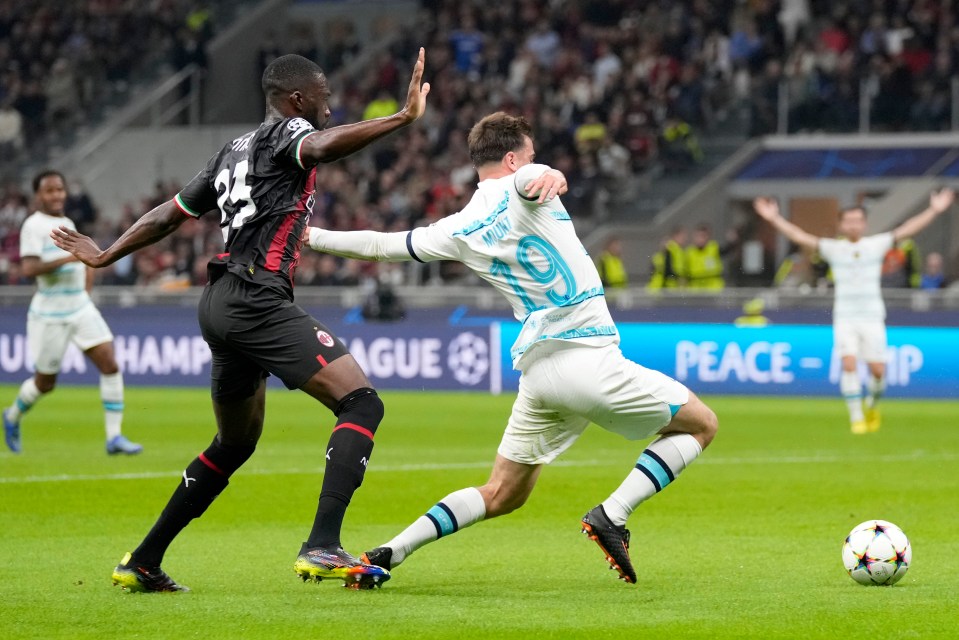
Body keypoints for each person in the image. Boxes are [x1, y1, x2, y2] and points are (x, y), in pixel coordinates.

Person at [51, 49, 431, 593]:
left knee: (234, 443)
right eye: (324, 94)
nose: (331, 104)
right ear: (297, 98)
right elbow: (320, 145)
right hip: (257, 298)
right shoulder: (289, 133)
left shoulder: (232, 150)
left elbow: (168, 214)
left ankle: (143, 560)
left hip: (221, 302)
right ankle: (322, 544)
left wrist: (106, 253)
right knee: (362, 401)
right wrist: (399, 118)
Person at [306, 112, 719, 585]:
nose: (535, 162)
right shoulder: (526, 182)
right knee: (702, 424)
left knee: (503, 493)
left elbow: (381, 245)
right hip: (586, 356)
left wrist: (311, 236)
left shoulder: (457, 227)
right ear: (510, 157)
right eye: (529, 153)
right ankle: (613, 515)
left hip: (540, 374)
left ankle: (389, 552)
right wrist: (548, 174)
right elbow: (528, 180)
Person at [753, 191, 955, 434]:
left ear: (864, 223)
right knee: (848, 363)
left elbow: (908, 229)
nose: (853, 224)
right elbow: (800, 236)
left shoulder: (875, 245)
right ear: (841, 224)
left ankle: (872, 404)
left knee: (878, 370)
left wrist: (934, 210)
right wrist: (774, 218)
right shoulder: (834, 248)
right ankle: (856, 417)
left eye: (857, 220)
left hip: (872, 316)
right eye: (848, 220)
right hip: (845, 316)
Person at [3, 170, 141, 456]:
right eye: (50, 191)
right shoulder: (33, 226)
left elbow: (86, 261)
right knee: (45, 383)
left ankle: (114, 437)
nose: (57, 195)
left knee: (110, 364)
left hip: (79, 306)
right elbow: (29, 269)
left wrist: (86, 291)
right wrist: (69, 256)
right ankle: (12, 415)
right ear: (39, 195)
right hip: (49, 313)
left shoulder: (67, 223)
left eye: (60, 189)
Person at [685, 223, 725, 290]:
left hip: (713, 289)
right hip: (695, 289)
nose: (700, 239)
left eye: (703, 236)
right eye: (698, 236)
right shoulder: (689, 252)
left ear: (708, 237)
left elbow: (727, 250)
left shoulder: (714, 248)